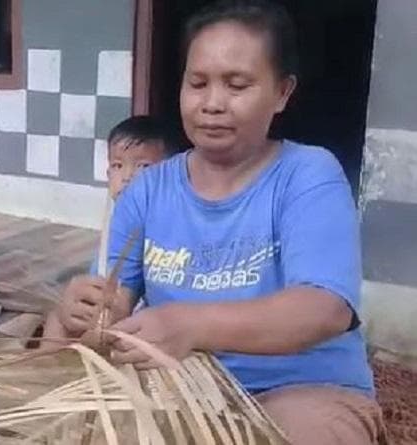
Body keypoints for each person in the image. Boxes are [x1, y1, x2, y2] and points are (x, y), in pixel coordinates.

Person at [55, 1, 384, 443]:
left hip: (301, 387)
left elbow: (324, 308)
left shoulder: (307, 174)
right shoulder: (147, 190)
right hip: (181, 384)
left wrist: (191, 325)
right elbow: (113, 305)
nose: (212, 103)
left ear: (282, 92)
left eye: (237, 85)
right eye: (197, 83)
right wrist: (83, 310)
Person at [43, 115, 171, 342]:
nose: (127, 177)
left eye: (143, 166)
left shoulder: (170, 225)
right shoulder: (116, 227)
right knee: (58, 317)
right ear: (108, 174)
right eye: (118, 166)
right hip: (111, 324)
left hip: (150, 333)